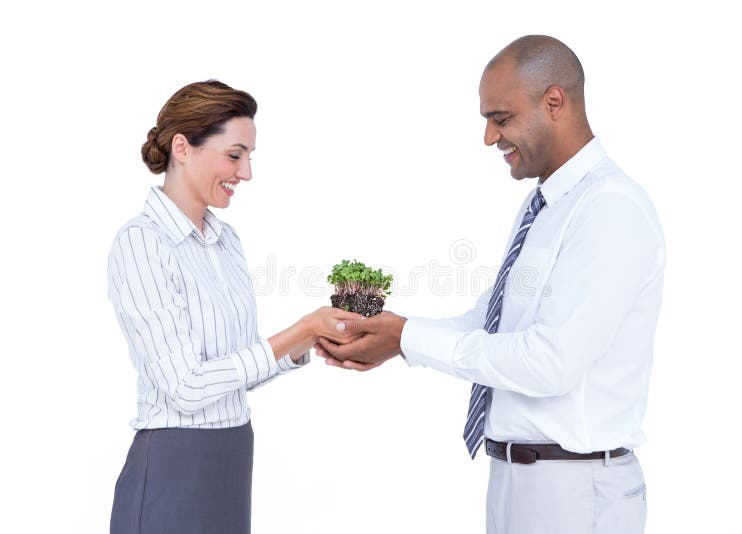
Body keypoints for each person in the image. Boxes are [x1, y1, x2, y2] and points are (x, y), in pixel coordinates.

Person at [317, 35, 665, 534]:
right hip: (516, 480)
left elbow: (550, 363)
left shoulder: (609, 209)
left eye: (500, 118)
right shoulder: (544, 204)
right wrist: (397, 338)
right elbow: (493, 319)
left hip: (575, 493)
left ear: (554, 103)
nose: (488, 138)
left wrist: (407, 337)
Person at [107, 80, 361, 534]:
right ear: (182, 148)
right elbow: (185, 386)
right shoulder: (142, 243)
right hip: (172, 465)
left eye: (249, 157)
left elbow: (234, 370)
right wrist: (298, 330)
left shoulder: (225, 242)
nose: (245, 173)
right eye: (234, 154)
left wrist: (308, 340)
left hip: (232, 456)